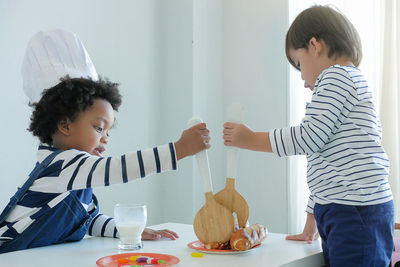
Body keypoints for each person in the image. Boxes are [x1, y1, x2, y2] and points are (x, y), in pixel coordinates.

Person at [0, 29, 210, 253]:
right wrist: (178, 150)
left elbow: (89, 220)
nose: (105, 139)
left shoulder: (73, 177)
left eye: (108, 131)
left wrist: (128, 231)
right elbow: (117, 168)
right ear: (65, 125)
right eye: (99, 127)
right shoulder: (62, 165)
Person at [223, 5, 394, 266]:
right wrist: (312, 220)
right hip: (347, 209)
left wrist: (250, 139)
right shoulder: (349, 81)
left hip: (354, 212)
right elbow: (324, 161)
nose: (303, 79)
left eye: (299, 64)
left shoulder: (336, 77)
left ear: (315, 46)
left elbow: (307, 138)